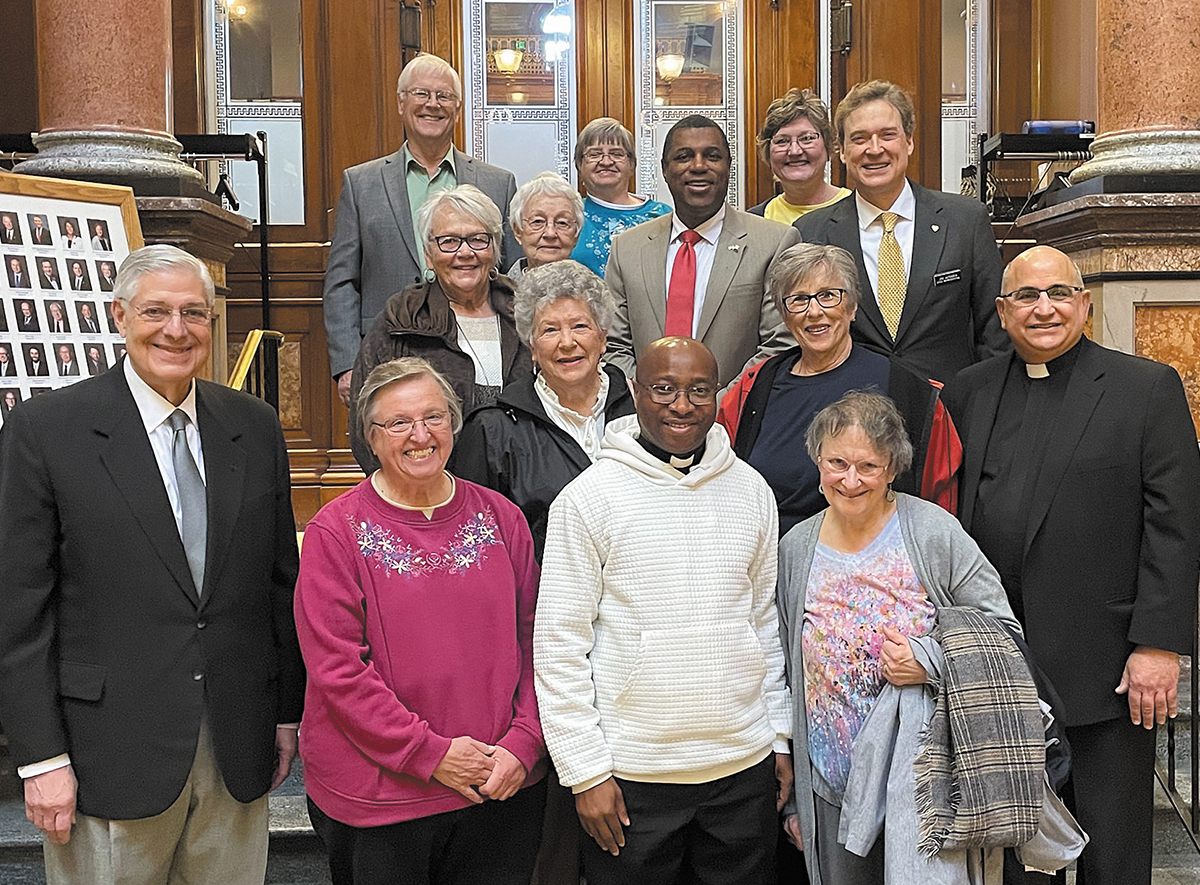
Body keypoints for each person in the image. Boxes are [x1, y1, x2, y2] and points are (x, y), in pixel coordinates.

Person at [0, 244, 304, 885]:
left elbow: (279, 584)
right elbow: (16, 609)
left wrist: (284, 714)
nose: (176, 329)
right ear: (118, 316)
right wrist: (39, 757)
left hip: (234, 748)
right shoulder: (46, 430)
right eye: (156, 311)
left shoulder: (253, 426)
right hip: (103, 751)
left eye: (194, 313)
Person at [942, 245, 1200, 885]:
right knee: (1023, 860)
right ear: (1002, 312)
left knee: (1113, 855)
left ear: (1084, 304)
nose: (1044, 307)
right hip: (1005, 674)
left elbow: (1176, 524)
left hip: (1110, 669)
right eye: (1027, 296)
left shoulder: (1146, 389)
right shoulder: (969, 392)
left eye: (1059, 292)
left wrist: (1158, 646)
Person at [535, 337, 792, 885]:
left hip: (743, 768)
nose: (682, 405)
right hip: (633, 777)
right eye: (664, 389)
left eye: (699, 390)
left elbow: (765, 625)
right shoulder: (587, 499)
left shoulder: (751, 491)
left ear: (717, 395)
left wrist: (778, 738)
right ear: (633, 391)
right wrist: (585, 772)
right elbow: (559, 646)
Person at [295, 356, 545, 885]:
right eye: (399, 423)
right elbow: (338, 671)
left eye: (434, 417)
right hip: (384, 798)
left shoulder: (502, 517)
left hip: (498, 784)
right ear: (370, 436)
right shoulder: (335, 531)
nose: (420, 435)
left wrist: (523, 745)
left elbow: (537, 643)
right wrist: (430, 755)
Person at [776, 391, 1023, 884]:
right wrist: (796, 801)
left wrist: (930, 659)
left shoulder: (933, 532)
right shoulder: (795, 547)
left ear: (893, 468)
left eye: (868, 465)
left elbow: (1005, 634)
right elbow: (786, 671)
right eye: (837, 463)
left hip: (923, 789)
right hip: (831, 788)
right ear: (818, 463)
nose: (850, 480)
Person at [718, 243, 960, 536]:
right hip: (767, 561)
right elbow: (719, 475)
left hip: (875, 567)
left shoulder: (909, 391)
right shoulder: (755, 385)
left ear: (853, 306)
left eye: (828, 296)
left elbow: (941, 504)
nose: (814, 311)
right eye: (798, 300)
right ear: (784, 315)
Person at [324, 53, 519, 407]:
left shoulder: (498, 183)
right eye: (421, 94)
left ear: (457, 109)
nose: (433, 104)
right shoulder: (361, 183)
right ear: (401, 103)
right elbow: (341, 281)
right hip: (388, 351)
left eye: (444, 96)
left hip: (478, 353)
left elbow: (512, 275)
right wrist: (346, 363)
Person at [795, 80, 1007, 383]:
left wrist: (981, 405)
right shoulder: (811, 232)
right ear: (841, 151)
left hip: (952, 412)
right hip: (849, 414)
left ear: (909, 142)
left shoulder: (965, 221)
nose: (874, 149)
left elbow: (995, 328)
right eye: (859, 138)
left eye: (887, 135)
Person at [605, 115, 800, 389]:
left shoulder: (775, 243)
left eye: (712, 156)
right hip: (642, 418)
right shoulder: (627, 248)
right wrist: (650, 401)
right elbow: (615, 346)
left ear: (728, 167)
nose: (698, 166)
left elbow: (778, 345)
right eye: (684, 156)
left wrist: (714, 406)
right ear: (664, 169)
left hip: (736, 417)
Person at [349, 184, 531, 473]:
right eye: (449, 241)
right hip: (426, 488)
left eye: (478, 240)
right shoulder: (401, 320)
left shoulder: (524, 313)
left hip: (522, 489)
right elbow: (365, 423)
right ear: (429, 255)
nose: (465, 252)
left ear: (495, 249)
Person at [569, 117, 670, 275]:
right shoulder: (569, 215)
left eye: (616, 154)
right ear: (580, 165)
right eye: (595, 154)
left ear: (632, 165)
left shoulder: (662, 216)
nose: (606, 162)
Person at [749, 88, 851, 224]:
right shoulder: (754, 222)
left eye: (807, 138)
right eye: (782, 141)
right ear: (767, 153)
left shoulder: (858, 212)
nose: (795, 151)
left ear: (828, 145)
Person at [506, 172, 584, 279]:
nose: (550, 233)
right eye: (538, 222)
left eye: (562, 223)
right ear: (518, 231)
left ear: (576, 234)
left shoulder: (593, 293)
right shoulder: (497, 293)